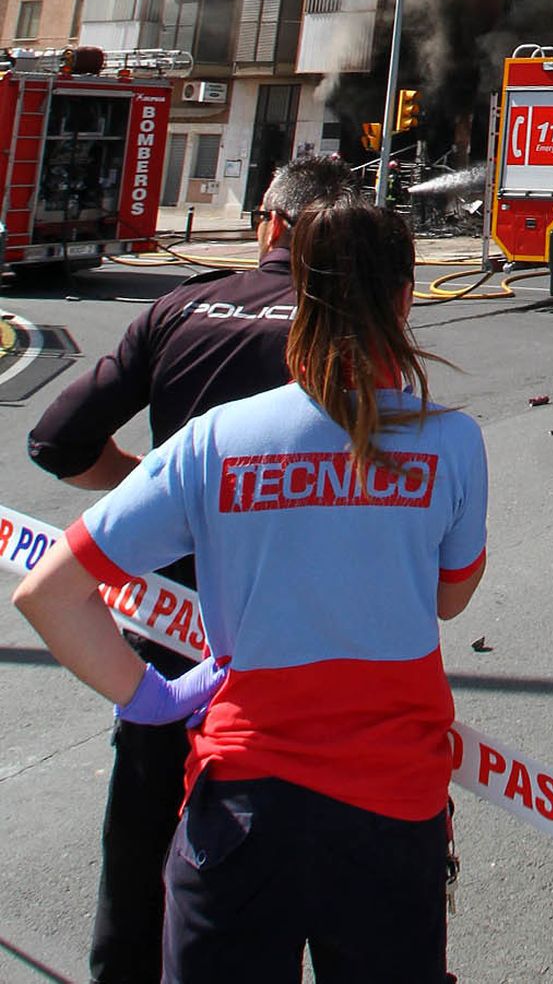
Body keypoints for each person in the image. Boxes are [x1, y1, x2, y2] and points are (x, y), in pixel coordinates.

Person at [14, 196, 488, 984]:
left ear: (302, 288)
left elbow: (49, 592)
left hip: (239, 809)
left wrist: (150, 698)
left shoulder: (218, 440)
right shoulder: (452, 442)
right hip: (391, 811)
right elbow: (450, 599)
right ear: (407, 298)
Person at [26, 151, 355, 984]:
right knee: (293, 864)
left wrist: (155, 491)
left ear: (271, 225)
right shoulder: (347, 328)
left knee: (141, 835)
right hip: (304, 641)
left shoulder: (176, 309)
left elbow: (56, 441)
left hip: (172, 630)